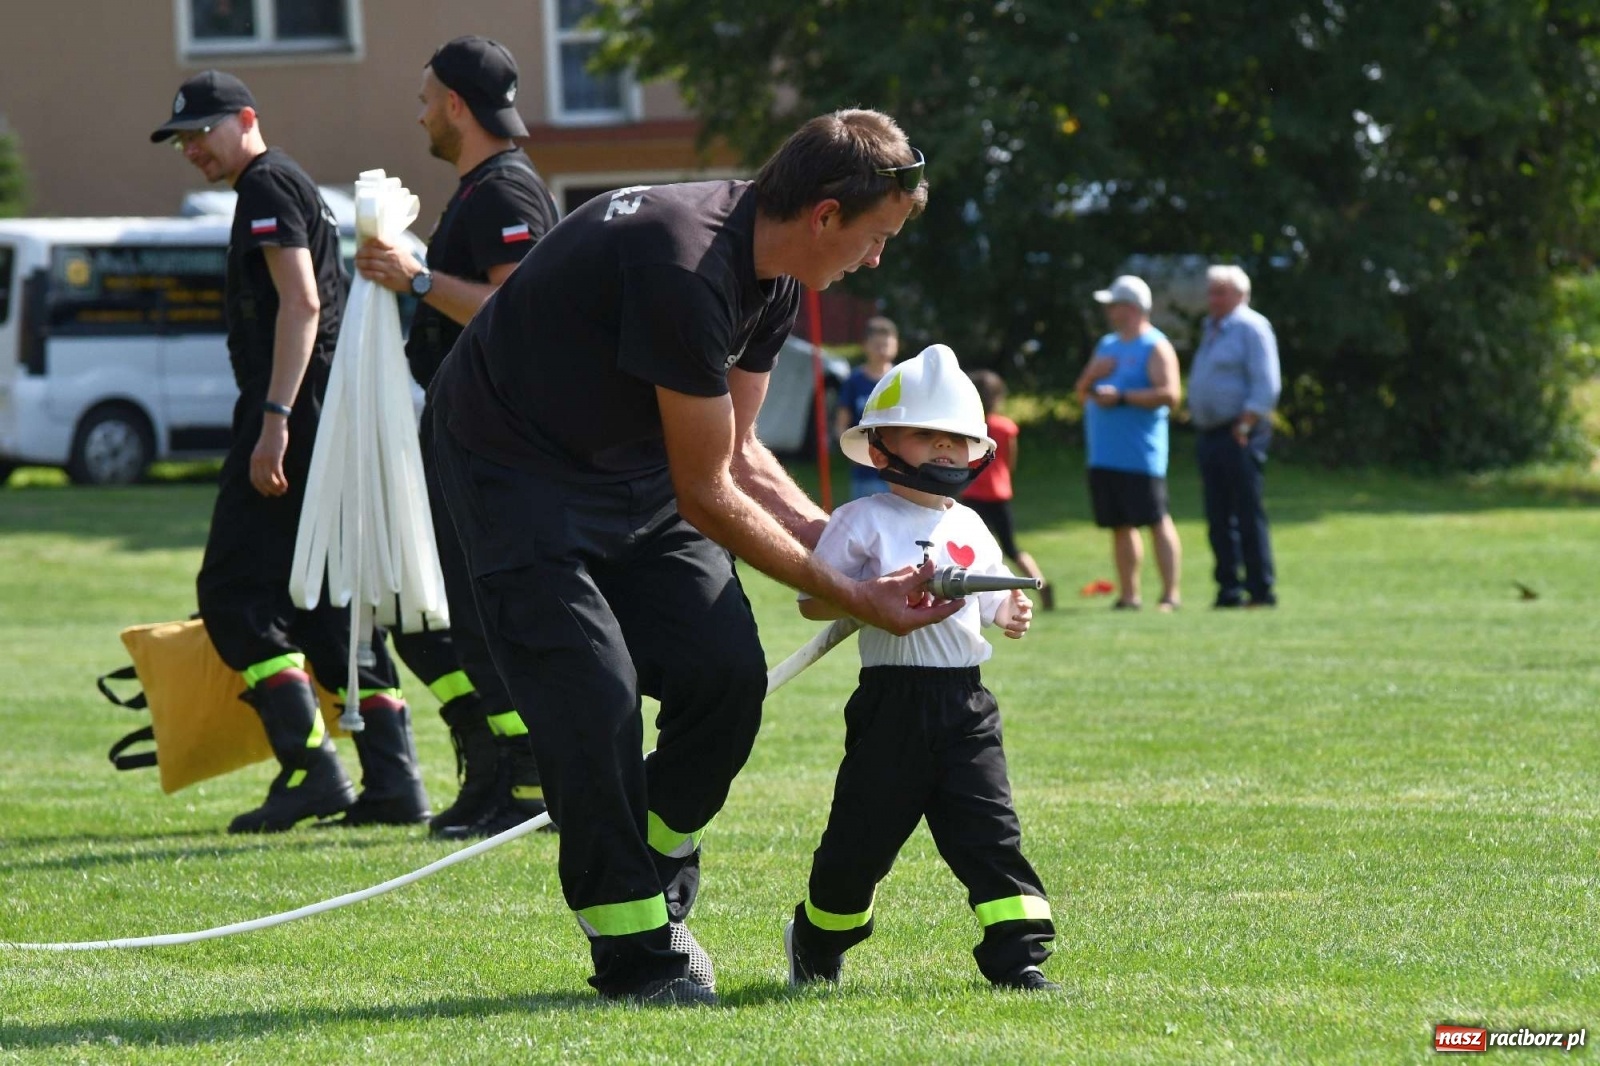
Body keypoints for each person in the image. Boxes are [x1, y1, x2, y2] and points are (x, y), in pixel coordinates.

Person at [429, 108, 954, 1006]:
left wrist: (840, 553)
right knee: (592, 698)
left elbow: (741, 451)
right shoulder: (685, 264)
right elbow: (706, 491)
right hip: (514, 472)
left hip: (633, 472)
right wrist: (847, 594)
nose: (876, 260)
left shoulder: (776, 277)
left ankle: (654, 860)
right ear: (826, 215)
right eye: (877, 238)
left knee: (726, 680)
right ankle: (639, 954)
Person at [152, 71, 429, 832]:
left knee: (235, 592)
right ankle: (395, 781)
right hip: (320, 412)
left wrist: (273, 420)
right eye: (183, 138)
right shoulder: (279, 185)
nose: (192, 149)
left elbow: (302, 303)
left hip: (293, 412)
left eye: (202, 132)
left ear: (247, 119)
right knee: (325, 598)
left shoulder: (269, 186)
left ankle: (312, 769)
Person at [784, 344, 1057, 993]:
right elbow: (811, 601)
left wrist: (1011, 611)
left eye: (958, 438)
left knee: (990, 832)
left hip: (966, 706)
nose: (944, 448)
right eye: (927, 433)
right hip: (891, 707)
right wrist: (871, 592)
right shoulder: (859, 521)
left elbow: (993, 606)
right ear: (879, 448)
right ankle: (821, 938)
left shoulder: (973, 524)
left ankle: (1018, 955)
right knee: (860, 843)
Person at [354, 36, 559, 840]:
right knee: (451, 617)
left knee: (478, 614)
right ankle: (502, 772)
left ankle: (531, 782)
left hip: (495, 439)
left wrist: (416, 280)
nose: (418, 112)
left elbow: (520, 312)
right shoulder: (481, 189)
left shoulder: (507, 193)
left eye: (424, 96)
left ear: (455, 107)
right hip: (462, 431)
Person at [1074, 274, 1183, 611]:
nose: (1109, 311)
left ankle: (1170, 595)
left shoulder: (1155, 345)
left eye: (1114, 304)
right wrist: (1093, 378)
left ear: (1132, 307)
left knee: (1155, 520)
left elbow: (1171, 395)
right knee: (1119, 524)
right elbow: (1081, 393)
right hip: (1104, 454)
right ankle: (1129, 595)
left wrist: (1121, 397)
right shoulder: (1106, 345)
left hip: (1140, 454)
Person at [1186, 264, 1281, 609]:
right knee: (1217, 516)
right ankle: (1228, 590)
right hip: (1210, 433)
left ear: (1241, 295)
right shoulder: (1211, 328)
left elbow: (1266, 384)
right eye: (1211, 292)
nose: (1213, 299)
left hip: (1241, 432)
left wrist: (1245, 424)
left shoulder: (1252, 328)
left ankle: (1260, 590)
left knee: (1246, 512)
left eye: (1220, 292)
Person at [963, 369, 1053, 610]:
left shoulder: (969, 429)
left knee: (968, 546)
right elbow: (1009, 460)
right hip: (999, 493)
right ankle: (1039, 583)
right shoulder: (1006, 427)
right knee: (1012, 547)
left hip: (973, 493)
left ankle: (969, 594)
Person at [833, 315, 899, 497]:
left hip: (898, 470)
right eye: (877, 345)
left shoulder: (902, 380)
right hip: (865, 470)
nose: (882, 350)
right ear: (866, 346)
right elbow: (841, 423)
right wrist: (851, 451)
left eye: (887, 344)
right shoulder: (854, 381)